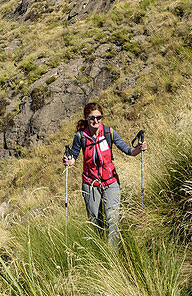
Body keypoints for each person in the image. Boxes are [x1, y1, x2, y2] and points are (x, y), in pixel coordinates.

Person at [63, 101, 146, 247]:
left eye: (98, 118)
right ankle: (99, 251)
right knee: (95, 221)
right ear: (86, 118)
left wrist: (139, 149)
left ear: (102, 118)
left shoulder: (109, 133)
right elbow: (74, 157)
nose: (95, 121)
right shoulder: (80, 136)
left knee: (112, 220)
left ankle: (112, 255)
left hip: (111, 182)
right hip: (90, 184)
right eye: (92, 118)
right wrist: (69, 161)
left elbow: (128, 150)